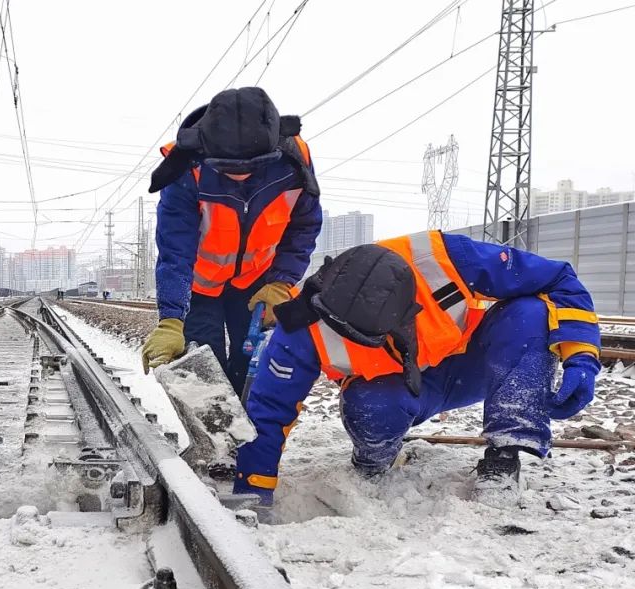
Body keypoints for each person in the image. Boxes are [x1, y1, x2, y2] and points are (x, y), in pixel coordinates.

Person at [236, 232, 601, 509]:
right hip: (392, 393)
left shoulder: (446, 258)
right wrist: (253, 490)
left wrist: (581, 355)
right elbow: (269, 412)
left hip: (473, 366)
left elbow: (560, 280)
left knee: (530, 313)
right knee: (371, 406)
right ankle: (373, 463)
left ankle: (504, 458)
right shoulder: (298, 327)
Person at [141, 86, 322, 394]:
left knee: (253, 367)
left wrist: (281, 282)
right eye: (228, 169)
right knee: (205, 375)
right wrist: (171, 318)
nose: (240, 177)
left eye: (252, 168)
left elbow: (303, 226)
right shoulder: (186, 167)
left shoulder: (294, 162)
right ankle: (215, 438)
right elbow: (175, 250)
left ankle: (252, 437)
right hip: (199, 287)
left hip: (257, 282)